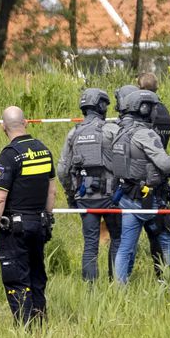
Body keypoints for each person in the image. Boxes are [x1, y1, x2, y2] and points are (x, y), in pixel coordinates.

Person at [0, 106, 56, 324]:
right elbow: (51, 190)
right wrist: (47, 218)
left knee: (17, 279)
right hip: (39, 224)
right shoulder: (44, 150)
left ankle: (25, 330)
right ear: (26, 123)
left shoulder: (9, 156)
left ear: (2, 127)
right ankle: (40, 323)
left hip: (16, 228)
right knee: (36, 276)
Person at [111, 90, 170, 283]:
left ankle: (119, 289)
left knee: (125, 247)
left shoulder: (120, 131)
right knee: (168, 241)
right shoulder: (145, 134)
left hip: (127, 198)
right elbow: (167, 165)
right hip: (149, 200)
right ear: (144, 108)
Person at [57, 88, 118, 282]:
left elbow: (62, 171)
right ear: (101, 106)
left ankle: (90, 291)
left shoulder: (73, 133)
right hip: (111, 199)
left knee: (90, 244)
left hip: (85, 199)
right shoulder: (112, 130)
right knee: (117, 239)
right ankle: (116, 284)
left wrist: (71, 194)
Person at [136, 72, 170, 275]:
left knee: (132, 235)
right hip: (161, 177)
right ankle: (163, 275)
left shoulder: (144, 114)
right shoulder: (165, 111)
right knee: (159, 232)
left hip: (142, 179)